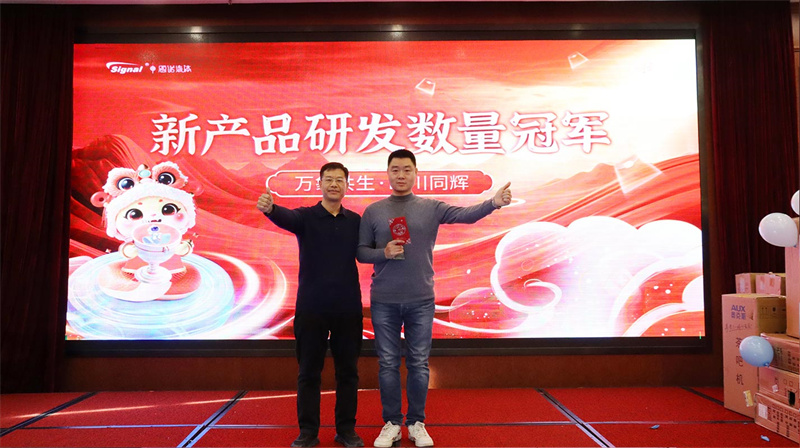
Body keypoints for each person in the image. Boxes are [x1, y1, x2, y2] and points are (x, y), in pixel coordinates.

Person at [356, 149, 512, 447]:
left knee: (418, 363)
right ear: (387, 173)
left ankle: (416, 423)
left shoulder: (431, 207)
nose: (401, 175)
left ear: (416, 173)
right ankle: (392, 423)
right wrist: (383, 252)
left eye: (407, 170)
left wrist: (493, 203)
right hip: (384, 300)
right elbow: (361, 252)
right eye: (395, 170)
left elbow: (465, 215)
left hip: (421, 299)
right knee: (387, 364)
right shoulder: (373, 211)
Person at [257, 162, 364, 448]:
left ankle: (346, 430)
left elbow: (369, 249)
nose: (334, 184)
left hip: (348, 308)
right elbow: (286, 217)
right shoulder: (306, 217)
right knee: (308, 372)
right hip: (311, 307)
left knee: (348, 373)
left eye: (339, 180)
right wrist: (270, 209)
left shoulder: (355, 221)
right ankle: (308, 432)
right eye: (328, 179)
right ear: (320, 184)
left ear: (347, 185)